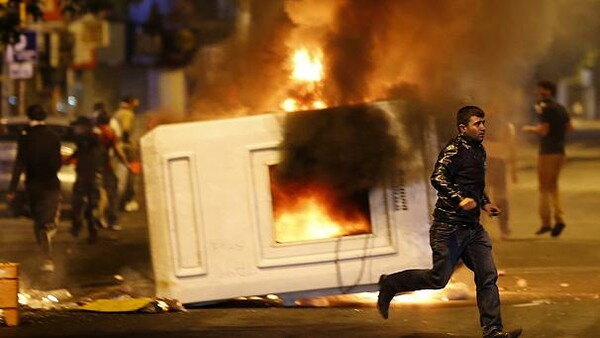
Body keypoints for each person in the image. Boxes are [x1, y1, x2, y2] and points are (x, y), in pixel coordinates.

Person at [377, 106, 522, 338]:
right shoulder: (454, 150)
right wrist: (459, 199)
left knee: (487, 276)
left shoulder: (479, 150)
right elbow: (438, 177)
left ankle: (493, 331)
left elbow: (475, 185)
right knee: (438, 279)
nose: (483, 128)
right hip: (449, 228)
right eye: (477, 124)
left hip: (473, 229)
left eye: (484, 123)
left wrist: (485, 203)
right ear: (463, 128)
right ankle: (391, 284)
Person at [6, 105, 62, 272]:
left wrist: (12, 189)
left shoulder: (25, 137)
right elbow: (57, 162)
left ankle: (45, 255)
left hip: (33, 185)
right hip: (51, 184)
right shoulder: (54, 136)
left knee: (39, 221)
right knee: (48, 221)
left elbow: (19, 164)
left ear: (29, 117)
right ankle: (47, 255)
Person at [523, 80, 572, 237]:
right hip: (560, 151)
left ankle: (548, 221)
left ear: (547, 91)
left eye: (541, 90)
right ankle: (557, 218)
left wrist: (529, 129)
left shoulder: (546, 108)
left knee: (544, 187)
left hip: (547, 152)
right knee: (553, 186)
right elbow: (570, 127)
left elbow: (543, 130)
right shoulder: (561, 108)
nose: (539, 93)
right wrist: (558, 134)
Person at [66, 116, 102, 244]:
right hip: (89, 175)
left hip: (88, 176)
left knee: (83, 204)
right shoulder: (88, 139)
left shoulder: (87, 139)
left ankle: (84, 228)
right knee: (89, 204)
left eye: (78, 126)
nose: (75, 129)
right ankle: (88, 230)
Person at [96, 111, 132, 231]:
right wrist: (126, 163)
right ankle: (112, 220)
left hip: (87, 167)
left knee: (98, 192)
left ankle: (94, 218)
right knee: (112, 191)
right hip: (104, 166)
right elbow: (117, 150)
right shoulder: (109, 133)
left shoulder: (91, 131)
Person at [112, 96, 139, 212]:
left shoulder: (117, 113)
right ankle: (125, 201)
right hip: (127, 149)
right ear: (130, 103)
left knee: (120, 176)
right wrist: (128, 142)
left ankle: (118, 202)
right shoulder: (127, 114)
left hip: (118, 148)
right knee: (130, 176)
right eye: (135, 102)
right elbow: (126, 130)